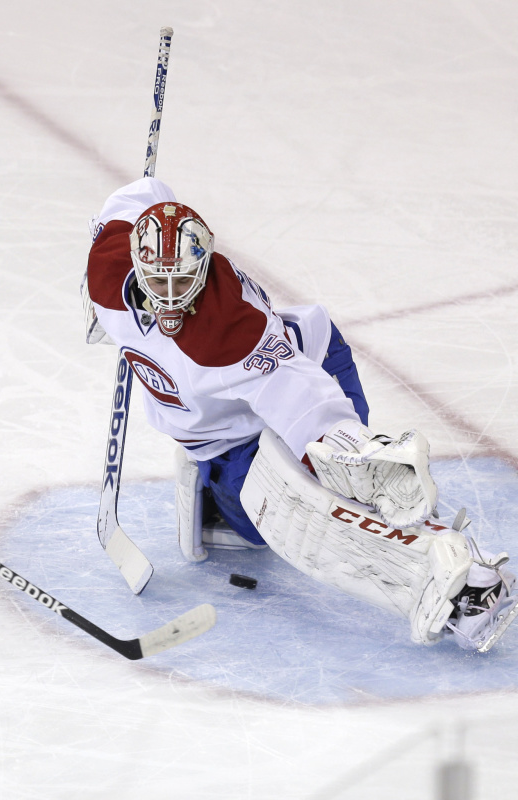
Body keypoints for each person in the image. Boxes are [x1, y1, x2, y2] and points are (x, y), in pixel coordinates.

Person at [81, 177, 517, 654]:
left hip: (309, 370)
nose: (168, 297)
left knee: (327, 509)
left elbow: (307, 402)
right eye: (156, 280)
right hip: (224, 428)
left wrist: (358, 461)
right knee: (255, 534)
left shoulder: (227, 332)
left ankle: (465, 584)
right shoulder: (107, 269)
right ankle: (214, 486)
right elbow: (139, 196)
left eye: (182, 280)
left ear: (203, 269)